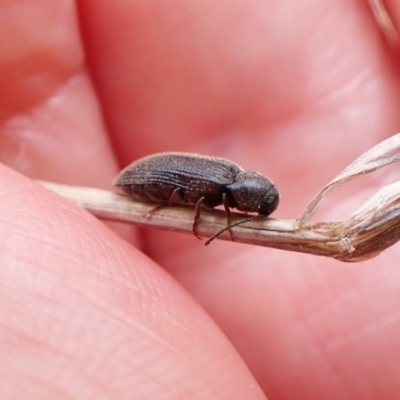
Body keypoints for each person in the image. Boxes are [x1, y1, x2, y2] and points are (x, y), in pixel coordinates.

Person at [1, 1, 400, 398]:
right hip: (147, 181)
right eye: (255, 209)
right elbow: (181, 188)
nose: (253, 215)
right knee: (179, 192)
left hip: (164, 181)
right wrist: (183, 215)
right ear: (244, 197)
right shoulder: (220, 186)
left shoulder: (229, 184)